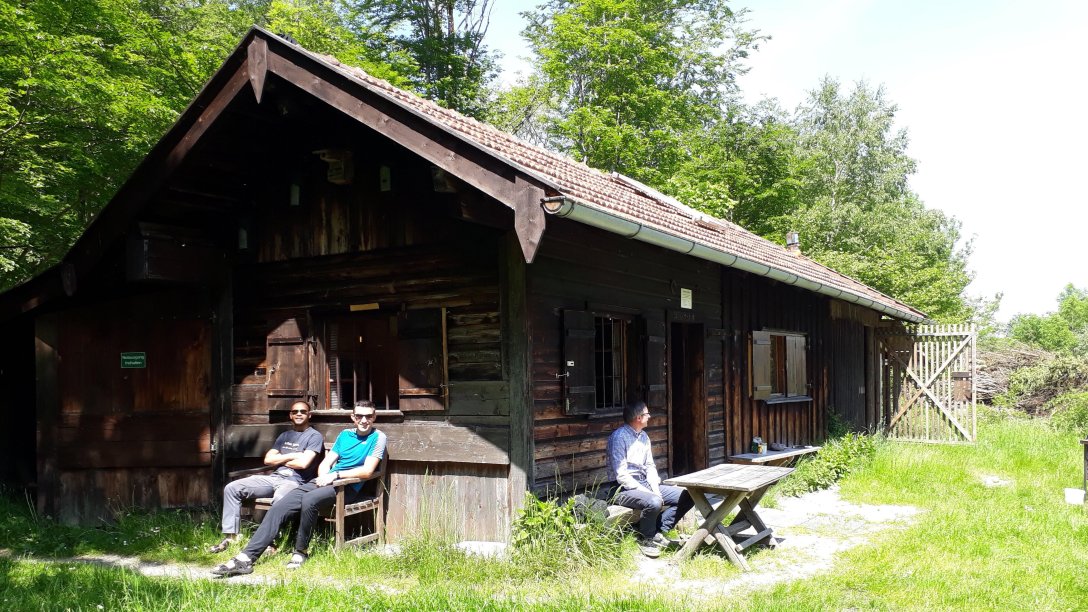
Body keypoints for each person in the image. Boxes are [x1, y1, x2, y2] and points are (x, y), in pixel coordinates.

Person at [212, 400, 386, 576]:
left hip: (346, 487)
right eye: (359, 416)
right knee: (280, 506)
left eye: (368, 416)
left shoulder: (378, 437)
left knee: (309, 499)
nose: (364, 420)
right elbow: (327, 462)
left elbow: (367, 471)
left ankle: (300, 552)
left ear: (374, 417)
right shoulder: (345, 435)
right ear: (353, 417)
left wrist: (335, 476)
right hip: (325, 481)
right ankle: (246, 558)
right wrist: (324, 475)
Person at [208, 399, 324, 554]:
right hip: (274, 477)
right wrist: (295, 455)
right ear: (290, 415)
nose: (299, 414)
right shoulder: (285, 435)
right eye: (295, 411)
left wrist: (282, 458)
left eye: (303, 411)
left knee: (280, 497)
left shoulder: (314, 436)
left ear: (309, 415)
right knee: (232, 488)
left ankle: (271, 541)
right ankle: (231, 537)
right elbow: (268, 460)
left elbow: (303, 463)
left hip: (295, 482)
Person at [606, 400, 694, 558]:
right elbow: (621, 475)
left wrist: (654, 489)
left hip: (644, 483)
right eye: (647, 414)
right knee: (654, 501)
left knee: (688, 495)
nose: (650, 416)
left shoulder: (644, 436)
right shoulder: (618, 437)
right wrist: (650, 493)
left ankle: (658, 530)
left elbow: (650, 466)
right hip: (622, 488)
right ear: (638, 418)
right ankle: (646, 538)